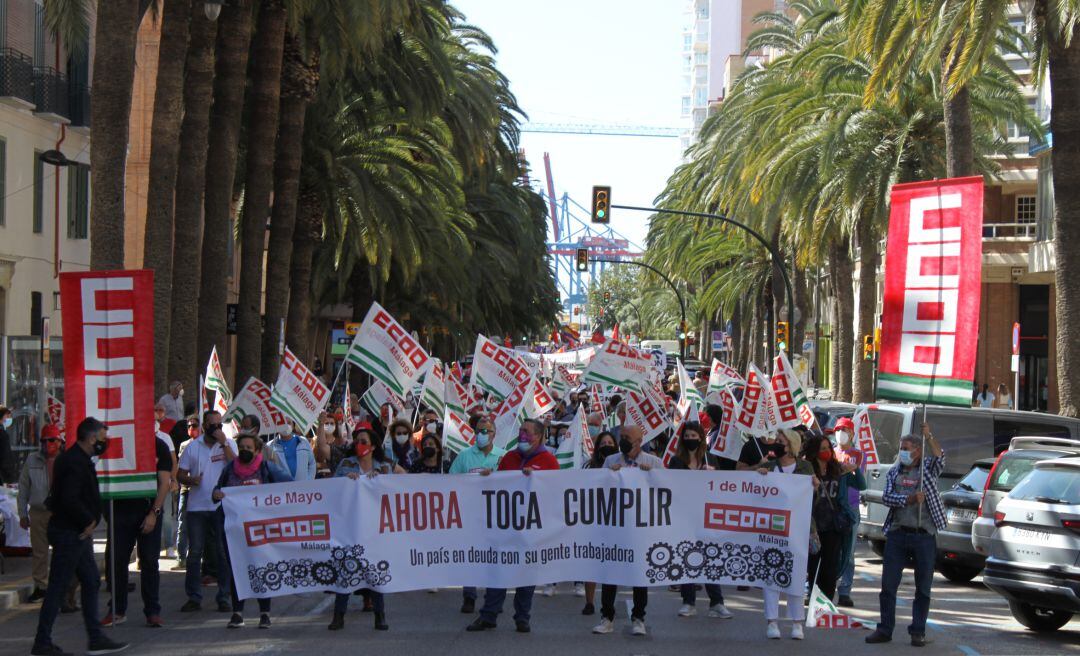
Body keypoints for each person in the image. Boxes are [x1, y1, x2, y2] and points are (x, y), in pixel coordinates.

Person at [31, 417, 128, 656]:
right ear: (92, 438)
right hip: (70, 532)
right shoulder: (74, 461)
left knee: (92, 580)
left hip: (77, 533)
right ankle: (42, 642)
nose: (105, 444)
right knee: (57, 587)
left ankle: (95, 638)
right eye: (102, 439)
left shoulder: (79, 459)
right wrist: (89, 520)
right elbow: (69, 498)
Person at [467, 419, 558, 634]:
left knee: (526, 575)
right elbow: (499, 485)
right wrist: (490, 478)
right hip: (504, 526)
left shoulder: (548, 461)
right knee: (498, 571)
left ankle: (522, 617)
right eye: (520, 431)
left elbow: (555, 493)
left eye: (526, 432)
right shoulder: (509, 457)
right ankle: (489, 615)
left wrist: (535, 480)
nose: (522, 435)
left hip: (531, 529)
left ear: (538, 436)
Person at [866, 424, 945, 648]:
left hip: (924, 535)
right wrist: (909, 500)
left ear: (918, 451)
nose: (902, 452)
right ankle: (884, 629)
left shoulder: (927, 469)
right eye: (901, 448)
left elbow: (940, 458)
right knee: (888, 586)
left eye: (906, 448)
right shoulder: (895, 471)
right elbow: (887, 497)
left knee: (923, 588)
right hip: (898, 535)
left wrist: (929, 436)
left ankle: (917, 631)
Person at [213, 433, 292, 629]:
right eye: (242, 448)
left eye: (249, 447)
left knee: (262, 568)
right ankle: (237, 613)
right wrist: (216, 494)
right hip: (235, 531)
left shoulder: (267, 468)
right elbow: (216, 492)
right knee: (237, 570)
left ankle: (265, 614)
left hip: (261, 529)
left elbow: (289, 484)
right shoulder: (229, 469)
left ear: (257, 451)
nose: (245, 451)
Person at [593, 424, 663, 637]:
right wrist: (609, 475)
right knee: (610, 573)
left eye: (627, 437)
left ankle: (639, 618)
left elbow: (667, 492)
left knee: (639, 575)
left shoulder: (654, 463)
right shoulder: (611, 461)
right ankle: (607, 618)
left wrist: (652, 477)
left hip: (641, 528)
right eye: (621, 436)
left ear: (640, 441)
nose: (623, 440)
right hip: (615, 526)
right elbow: (599, 490)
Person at [329, 428, 400, 631]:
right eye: (357, 440)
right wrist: (345, 481)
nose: (359, 444)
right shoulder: (346, 464)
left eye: (364, 441)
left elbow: (398, 489)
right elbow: (332, 490)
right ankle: (338, 616)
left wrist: (381, 481)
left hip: (375, 527)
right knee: (345, 569)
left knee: (375, 571)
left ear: (373, 446)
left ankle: (380, 615)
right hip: (349, 526)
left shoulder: (384, 466)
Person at [101, 426, 172, 628]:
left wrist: (154, 513)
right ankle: (117, 609)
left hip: (148, 511)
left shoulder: (159, 446)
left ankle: (152, 611)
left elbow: (164, 483)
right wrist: (107, 512)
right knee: (117, 562)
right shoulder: (115, 446)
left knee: (149, 561)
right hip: (120, 513)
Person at [666, 421, 733, 620]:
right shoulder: (676, 461)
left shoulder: (710, 458)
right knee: (688, 557)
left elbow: (722, 486)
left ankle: (717, 602)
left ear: (701, 438)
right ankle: (688, 602)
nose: (690, 440)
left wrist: (711, 475)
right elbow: (670, 486)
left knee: (710, 557)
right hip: (685, 516)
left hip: (707, 515)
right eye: (686, 437)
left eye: (693, 436)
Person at [177, 411, 237, 613]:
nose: (217, 429)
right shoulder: (193, 447)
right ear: (205, 427)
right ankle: (193, 597)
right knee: (195, 553)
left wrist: (225, 443)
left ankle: (224, 597)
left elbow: (236, 467)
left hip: (220, 506)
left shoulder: (228, 443)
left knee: (222, 552)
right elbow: (180, 474)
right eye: (212, 426)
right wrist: (190, 480)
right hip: (197, 507)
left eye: (219, 425)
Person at [756, 429, 811, 640]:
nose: (775, 444)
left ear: (792, 446)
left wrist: (814, 485)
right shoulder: (769, 467)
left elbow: (810, 499)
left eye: (780, 441)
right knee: (771, 574)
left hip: (798, 528)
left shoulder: (805, 467)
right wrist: (758, 474)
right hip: (772, 527)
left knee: (796, 574)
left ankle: (797, 623)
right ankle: (772, 622)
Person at [449, 417, 505, 613]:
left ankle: (493, 599)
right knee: (471, 556)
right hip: (470, 514)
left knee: (495, 558)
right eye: (479, 431)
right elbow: (451, 482)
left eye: (486, 431)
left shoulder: (503, 457)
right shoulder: (464, 456)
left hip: (496, 515)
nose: (482, 435)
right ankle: (469, 596)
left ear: (494, 434)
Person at [18, 426, 77, 608]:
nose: (49, 444)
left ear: (60, 442)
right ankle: (41, 586)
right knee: (40, 552)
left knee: (64, 553)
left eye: (52, 440)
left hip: (61, 513)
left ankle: (66, 591)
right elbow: (23, 488)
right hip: (39, 512)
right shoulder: (32, 460)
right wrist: (22, 513)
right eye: (45, 441)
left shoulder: (67, 460)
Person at [803, 432, 865, 605]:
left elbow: (862, 485)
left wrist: (855, 468)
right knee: (813, 563)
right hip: (813, 525)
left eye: (828, 448)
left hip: (833, 525)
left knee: (830, 566)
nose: (827, 452)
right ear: (814, 451)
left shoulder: (837, 469)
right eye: (822, 449)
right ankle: (812, 594)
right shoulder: (807, 469)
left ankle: (826, 600)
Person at [577, 431, 618, 616]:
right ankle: (590, 601)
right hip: (594, 518)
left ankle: (609, 601)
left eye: (610, 442)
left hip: (615, 520)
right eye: (603, 443)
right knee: (592, 562)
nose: (606, 445)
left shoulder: (622, 465)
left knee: (611, 562)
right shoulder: (589, 466)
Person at [832, 417, 864, 607]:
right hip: (831, 506)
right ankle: (822, 586)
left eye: (844, 430)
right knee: (829, 549)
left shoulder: (859, 455)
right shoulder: (831, 452)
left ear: (852, 433)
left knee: (849, 552)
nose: (840, 433)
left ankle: (845, 591)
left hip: (850, 507)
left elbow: (860, 478)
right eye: (838, 430)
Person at [172, 416, 201, 571]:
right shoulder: (184, 445)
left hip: (200, 490)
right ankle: (181, 557)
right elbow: (180, 466)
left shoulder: (205, 445)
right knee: (182, 524)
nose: (192, 428)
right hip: (185, 489)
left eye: (195, 425)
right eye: (189, 426)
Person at [703, 404, 737, 470]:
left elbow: (713, 457)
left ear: (709, 418)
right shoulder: (722, 432)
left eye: (703, 416)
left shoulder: (715, 435)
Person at [0, 405, 15, 483]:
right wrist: (9, 478)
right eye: (7, 416)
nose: (8, 418)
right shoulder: (3, 435)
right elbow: (5, 459)